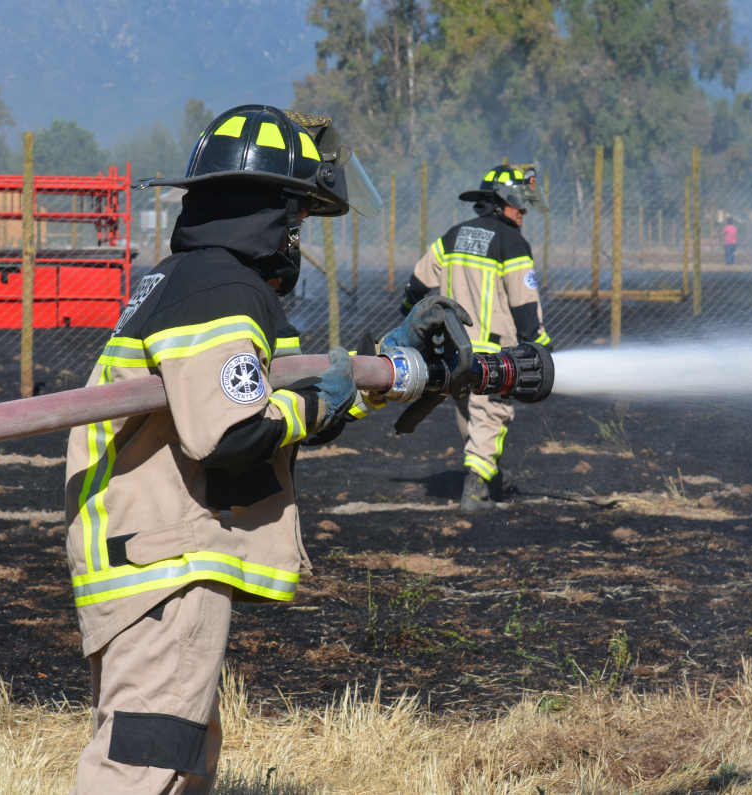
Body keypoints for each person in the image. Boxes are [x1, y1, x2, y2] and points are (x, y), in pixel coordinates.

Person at [63, 105, 466, 794]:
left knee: (180, 757)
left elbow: (283, 399)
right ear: (265, 213)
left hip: (150, 554)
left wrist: (378, 373)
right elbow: (231, 431)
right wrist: (327, 398)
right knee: (144, 759)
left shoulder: (193, 280)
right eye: (295, 220)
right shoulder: (219, 291)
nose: (296, 241)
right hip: (168, 561)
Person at [399, 165, 550, 511]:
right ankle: (477, 492)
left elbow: (417, 285)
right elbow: (525, 305)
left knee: (469, 414)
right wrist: (541, 346)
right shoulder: (512, 242)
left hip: (453, 353)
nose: (524, 211)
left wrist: (409, 313)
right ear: (501, 202)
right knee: (491, 415)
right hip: (495, 354)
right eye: (519, 204)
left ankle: (490, 476)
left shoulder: (453, 236)